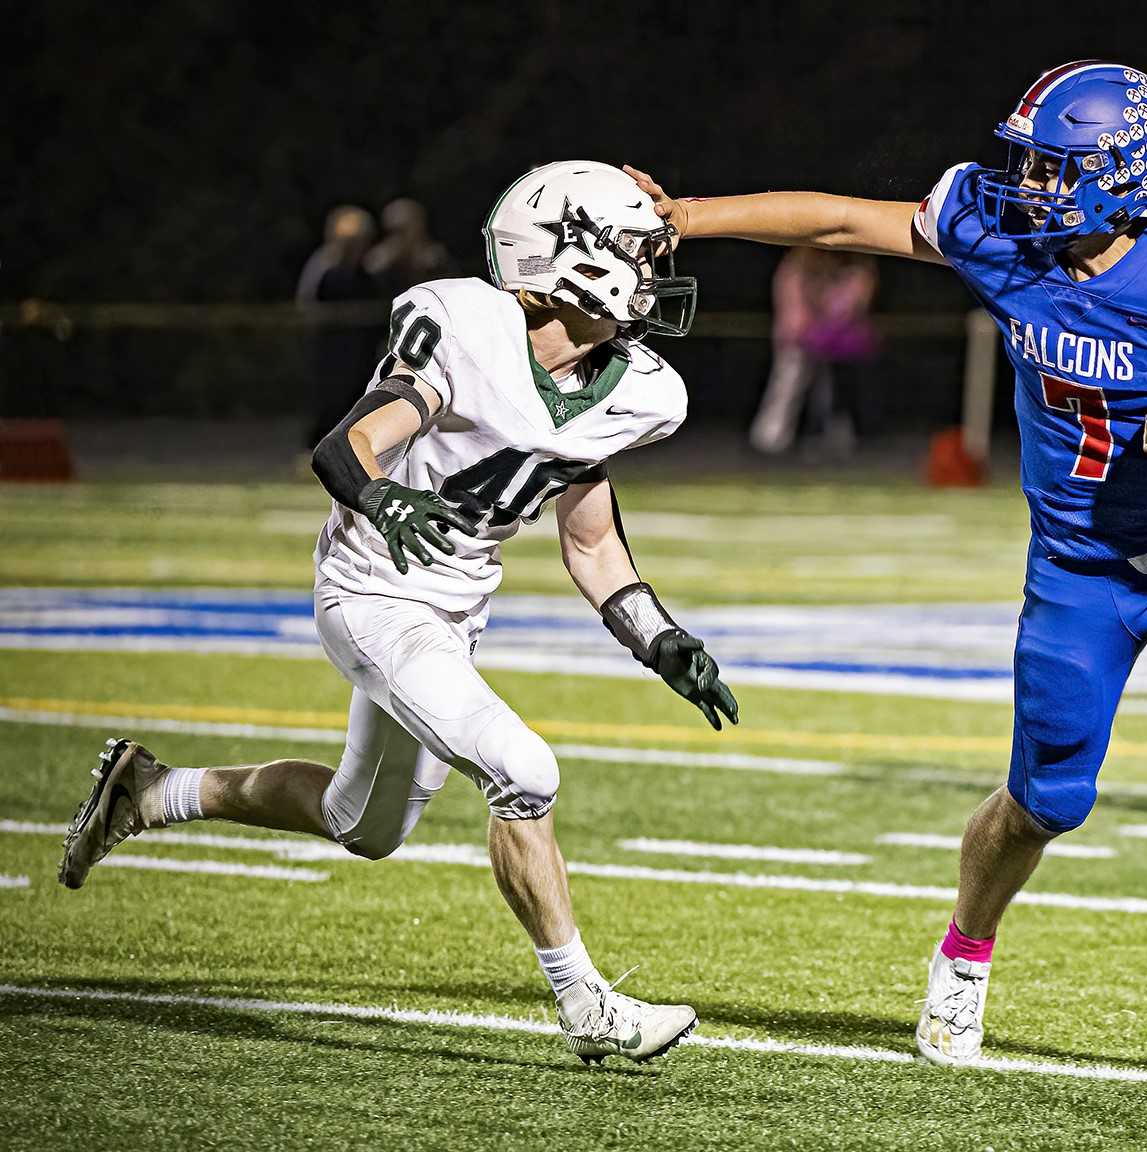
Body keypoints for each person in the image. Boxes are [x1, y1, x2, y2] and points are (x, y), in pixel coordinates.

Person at [626, 58, 1147, 1065]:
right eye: (1028, 163)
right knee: (1044, 806)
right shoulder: (997, 230)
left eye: (1055, 168)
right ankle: (964, 953)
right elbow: (839, 223)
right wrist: (688, 213)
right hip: (1081, 574)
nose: (1029, 185)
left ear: (1127, 177)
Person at [59, 161, 738, 1065]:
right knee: (523, 768)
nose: (652, 270)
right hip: (374, 590)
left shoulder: (636, 390)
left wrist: (661, 639)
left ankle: (150, 791)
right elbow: (348, 446)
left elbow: (590, 543)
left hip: (455, 610)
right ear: (568, 262)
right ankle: (587, 1006)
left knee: (362, 824)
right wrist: (384, 500)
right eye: (636, 252)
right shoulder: (463, 328)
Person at [750, 247, 879, 456]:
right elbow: (793, 308)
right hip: (797, 336)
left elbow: (853, 304)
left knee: (828, 391)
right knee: (787, 384)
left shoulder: (850, 271)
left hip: (827, 339)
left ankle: (825, 438)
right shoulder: (796, 269)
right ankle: (769, 439)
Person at [297, 205, 385, 451]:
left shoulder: (369, 269)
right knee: (328, 402)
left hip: (361, 350)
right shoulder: (324, 267)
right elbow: (307, 305)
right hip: (329, 349)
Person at [365, 197, 458, 299]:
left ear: (419, 225)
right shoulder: (381, 256)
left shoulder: (436, 257)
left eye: (402, 230)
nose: (398, 237)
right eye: (393, 231)